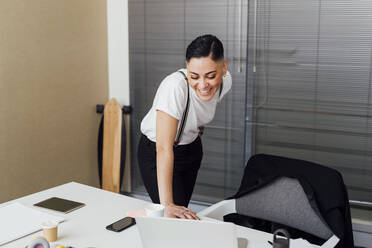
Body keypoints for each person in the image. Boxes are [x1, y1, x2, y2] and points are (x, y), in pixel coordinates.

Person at [137, 34, 232, 220]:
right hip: (158, 152)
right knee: (173, 215)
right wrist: (167, 204)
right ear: (187, 68)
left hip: (191, 149)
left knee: (183, 211)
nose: (203, 85)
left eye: (211, 76)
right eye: (194, 76)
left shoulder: (225, 82)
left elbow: (199, 110)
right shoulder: (174, 87)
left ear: (224, 68)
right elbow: (163, 148)